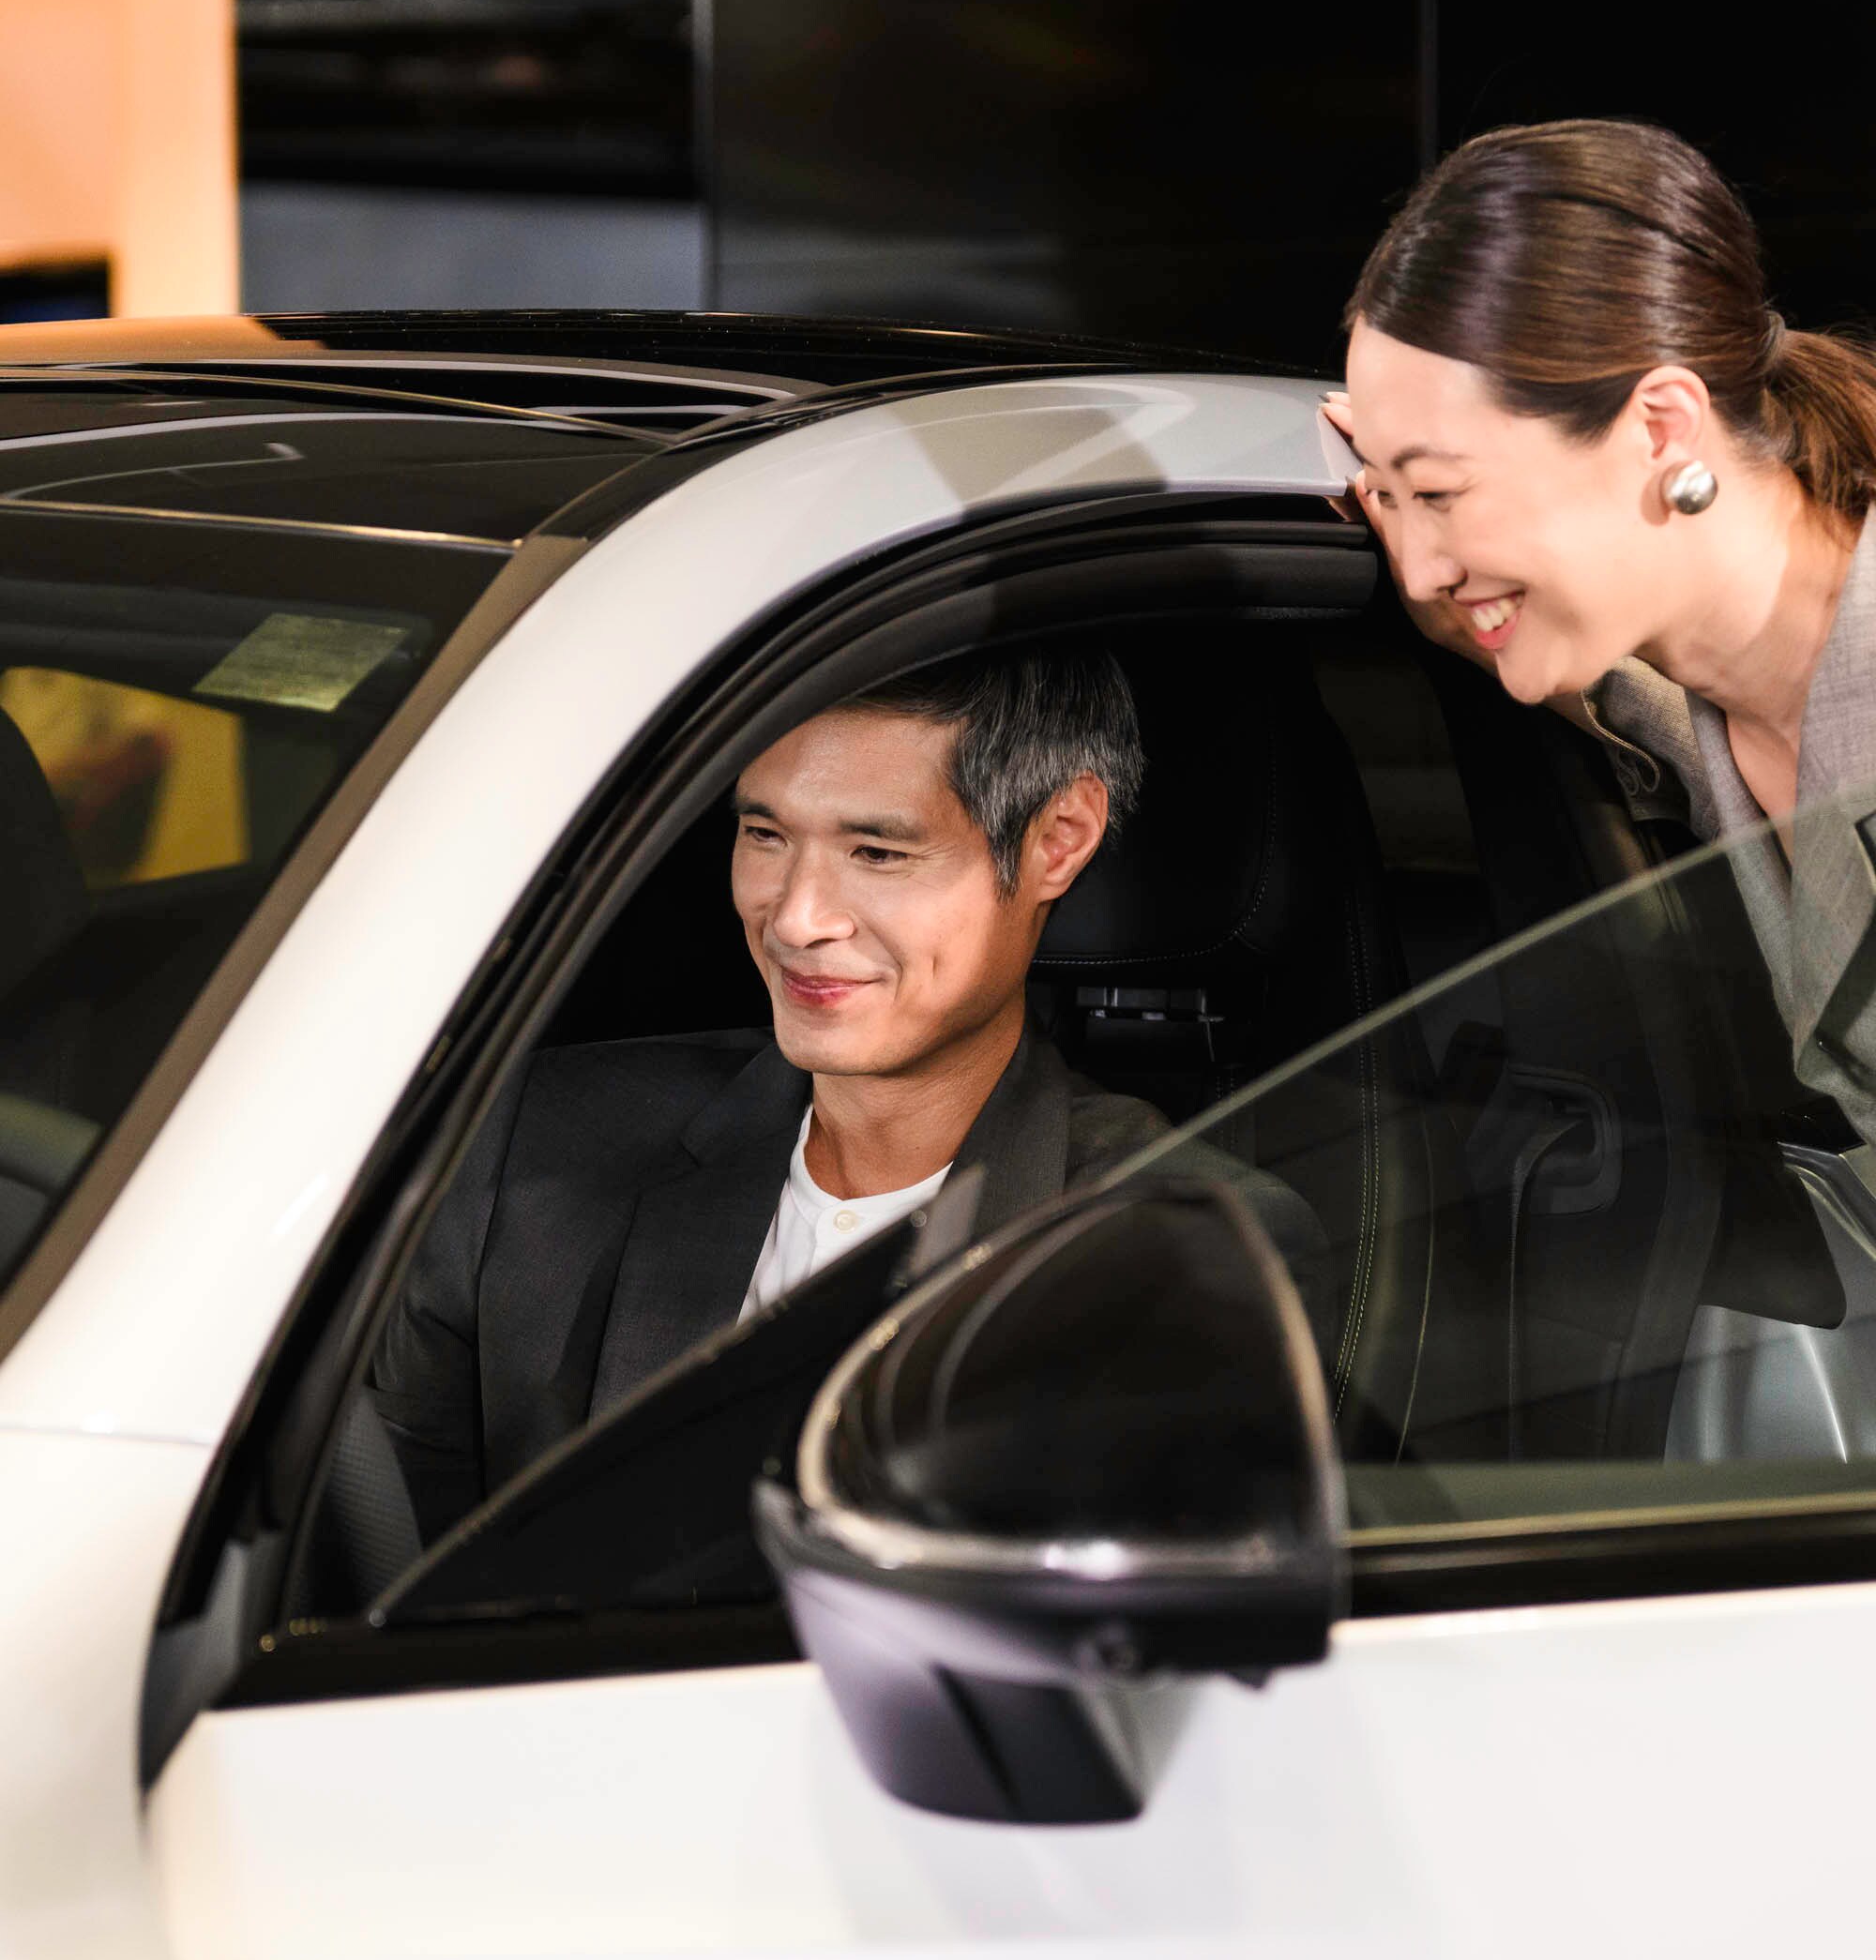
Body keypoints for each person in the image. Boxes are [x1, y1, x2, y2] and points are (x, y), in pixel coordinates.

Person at [370, 643, 1328, 1541]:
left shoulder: (1173, 1256)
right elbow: (378, 1562)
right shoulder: (537, 1147)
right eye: (764, 834)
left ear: (1057, 840)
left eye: (877, 853)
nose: (794, 917)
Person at [1322, 117, 1876, 1139]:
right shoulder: (1707, 694)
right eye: (1389, 502)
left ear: (1661, 428)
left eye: (1440, 492)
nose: (1418, 567)